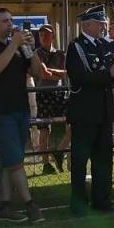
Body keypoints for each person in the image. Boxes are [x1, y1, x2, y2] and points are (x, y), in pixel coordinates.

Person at [0, 8, 48, 222]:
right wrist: (15, 44)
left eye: (11, 20)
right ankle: (30, 205)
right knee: (15, 161)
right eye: (4, 21)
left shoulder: (17, 47)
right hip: (0, 112)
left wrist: (30, 49)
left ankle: (5, 206)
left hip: (20, 110)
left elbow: (36, 72)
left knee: (10, 160)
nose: (10, 24)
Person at [64, 5, 114, 213]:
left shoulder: (104, 45)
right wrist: (110, 73)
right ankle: (79, 203)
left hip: (103, 110)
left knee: (104, 159)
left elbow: (108, 77)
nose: (104, 27)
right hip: (84, 112)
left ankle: (103, 200)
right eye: (100, 23)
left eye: (104, 23)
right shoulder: (76, 47)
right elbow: (81, 77)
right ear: (87, 25)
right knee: (80, 159)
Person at [32, 24, 68, 175]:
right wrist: (56, 73)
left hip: (59, 93)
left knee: (72, 120)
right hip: (43, 94)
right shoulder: (36, 53)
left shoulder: (60, 54)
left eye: (47, 34)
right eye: (41, 35)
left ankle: (60, 150)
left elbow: (66, 73)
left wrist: (51, 70)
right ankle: (46, 163)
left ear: (53, 36)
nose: (44, 37)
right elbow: (43, 74)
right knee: (44, 128)